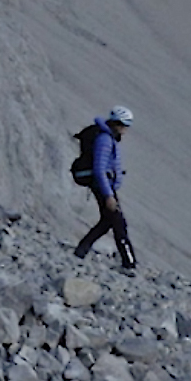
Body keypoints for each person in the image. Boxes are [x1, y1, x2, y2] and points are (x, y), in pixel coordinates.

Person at [73, 106, 137, 272]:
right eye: (124, 125)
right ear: (117, 124)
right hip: (103, 186)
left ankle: (81, 251)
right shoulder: (105, 140)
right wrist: (109, 195)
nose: (126, 129)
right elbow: (100, 168)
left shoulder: (108, 137)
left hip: (105, 185)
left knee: (107, 221)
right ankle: (129, 263)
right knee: (118, 223)